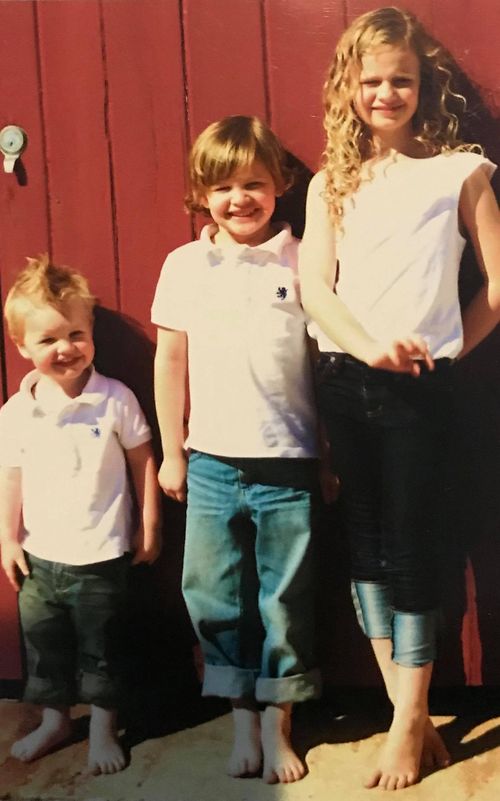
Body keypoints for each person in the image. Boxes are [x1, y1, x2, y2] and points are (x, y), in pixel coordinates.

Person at [299, 6, 500, 792]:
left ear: (426, 86)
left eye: (402, 81)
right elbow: (316, 288)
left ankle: (408, 723)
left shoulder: (461, 171)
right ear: (349, 88)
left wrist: (446, 348)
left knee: (419, 551)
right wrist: (367, 344)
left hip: (425, 392)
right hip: (347, 380)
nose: (387, 93)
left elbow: (497, 287)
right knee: (368, 543)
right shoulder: (330, 184)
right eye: (372, 81)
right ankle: (404, 713)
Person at [152, 115, 327, 783]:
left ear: (281, 184)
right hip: (211, 463)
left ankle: (282, 720)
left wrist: (329, 456)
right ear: (201, 194)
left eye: (254, 183)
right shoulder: (185, 265)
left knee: (286, 596)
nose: (239, 199)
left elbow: (322, 362)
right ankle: (241, 717)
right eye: (222, 187)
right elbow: (171, 360)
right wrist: (173, 451)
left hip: (289, 460)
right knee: (212, 590)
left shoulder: (303, 259)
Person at [0, 255, 161, 774]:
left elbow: (144, 461)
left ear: (91, 332)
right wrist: (7, 538)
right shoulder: (17, 410)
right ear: (22, 347)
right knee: (45, 648)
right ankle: (54, 718)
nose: (64, 348)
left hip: (102, 555)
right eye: (47, 340)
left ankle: (101, 726)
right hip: (39, 558)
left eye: (75, 333)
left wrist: (148, 526)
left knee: (102, 650)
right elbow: (10, 475)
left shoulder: (114, 399)